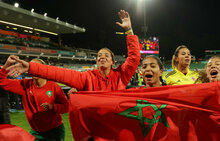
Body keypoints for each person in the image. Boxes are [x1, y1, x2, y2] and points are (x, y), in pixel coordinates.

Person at [7, 10, 140, 92]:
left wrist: (129, 31)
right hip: (92, 135)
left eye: (106, 55)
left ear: (113, 62)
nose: (102, 57)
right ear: (96, 61)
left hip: (115, 132)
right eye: (99, 55)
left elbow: (134, 58)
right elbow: (59, 73)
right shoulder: (87, 77)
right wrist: (31, 67)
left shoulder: (121, 75)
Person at [0, 57, 69, 141]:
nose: (34, 69)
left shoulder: (54, 87)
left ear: (43, 69)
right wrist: (6, 65)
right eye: (32, 67)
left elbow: (66, 107)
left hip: (55, 130)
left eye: (37, 67)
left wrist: (53, 107)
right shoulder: (24, 85)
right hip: (36, 132)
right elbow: (1, 81)